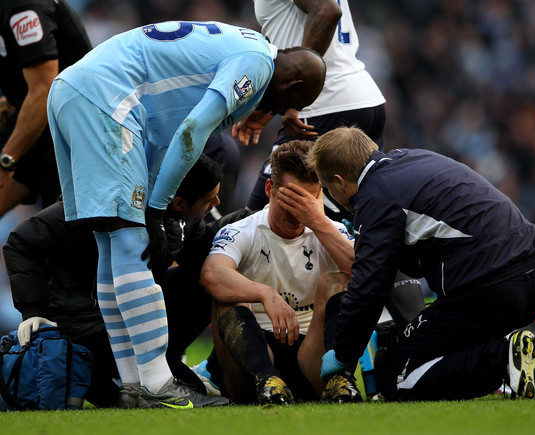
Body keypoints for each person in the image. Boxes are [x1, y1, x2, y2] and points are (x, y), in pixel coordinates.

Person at [46, 20, 326, 409]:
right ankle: (159, 384)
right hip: (108, 100)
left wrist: (155, 203)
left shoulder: (247, 46)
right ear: (293, 87)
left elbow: (173, 125)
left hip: (75, 91)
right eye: (289, 104)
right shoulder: (257, 64)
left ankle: (133, 385)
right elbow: (193, 129)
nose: (280, 112)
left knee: (111, 242)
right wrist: (157, 212)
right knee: (132, 240)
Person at [308, 126, 535, 401]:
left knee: (396, 379)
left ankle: (502, 359)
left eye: (328, 188)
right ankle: (509, 364)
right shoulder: (413, 158)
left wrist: (343, 354)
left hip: (490, 287)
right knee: (441, 345)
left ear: (340, 182)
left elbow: (370, 286)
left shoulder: (375, 194)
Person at [3, 154, 244, 408]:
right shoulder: (99, 203)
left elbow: (204, 244)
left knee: (209, 276)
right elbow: (21, 239)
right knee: (188, 391)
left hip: (131, 314)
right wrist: (33, 310)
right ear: (178, 202)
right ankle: (90, 369)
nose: (217, 202)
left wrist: (253, 219)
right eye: (210, 199)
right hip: (86, 323)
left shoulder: (179, 218)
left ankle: (158, 364)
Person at [200, 140, 360, 405]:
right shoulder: (242, 231)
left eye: (307, 200)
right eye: (290, 199)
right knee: (227, 293)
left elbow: (365, 273)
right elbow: (211, 275)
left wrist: (318, 222)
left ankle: (339, 381)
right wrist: (265, 294)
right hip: (252, 367)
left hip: (312, 362)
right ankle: (268, 382)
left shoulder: (329, 231)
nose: (299, 211)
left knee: (338, 281)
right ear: (269, 190)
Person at [236, 0, 385, 221]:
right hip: (363, 99)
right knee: (354, 225)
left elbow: (327, 11)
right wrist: (271, 109)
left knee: (257, 221)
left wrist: (298, 95)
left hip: (325, 106)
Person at [0, 0, 91, 216]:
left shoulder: (23, 6)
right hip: (41, 126)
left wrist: (6, 161)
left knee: (56, 241)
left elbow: (44, 92)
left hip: (72, 136)